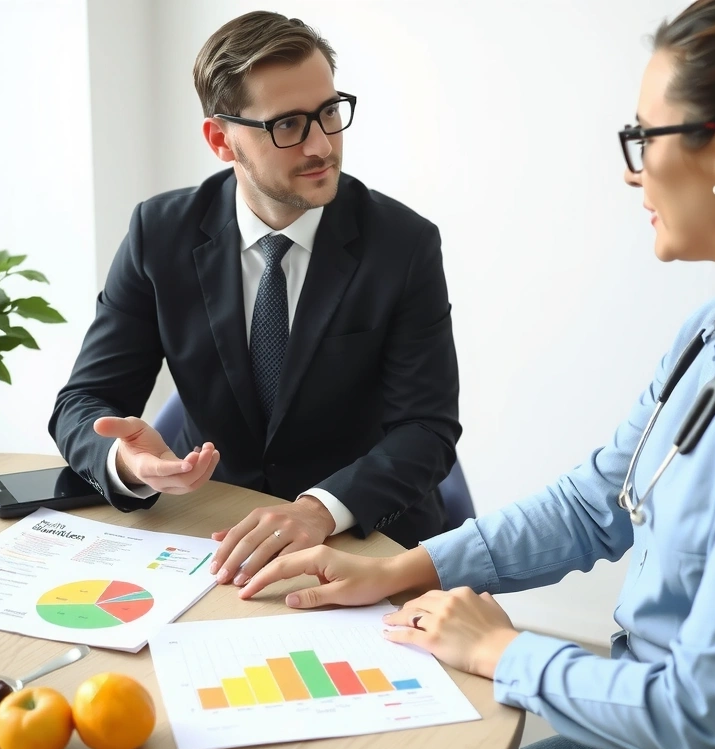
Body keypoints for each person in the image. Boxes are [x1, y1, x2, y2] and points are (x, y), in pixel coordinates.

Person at [238, 0, 715, 749]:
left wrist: (501, 651)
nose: (631, 171)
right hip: (635, 731)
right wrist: (398, 570)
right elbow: (599, 500)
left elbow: (703, 722)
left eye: (644, 138)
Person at [49, 11, 461, 582]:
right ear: (222, 140)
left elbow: (426, 430)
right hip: (211, 534)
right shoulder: (159, 235)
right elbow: (84, 400)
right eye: (288, 124)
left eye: (329, 112)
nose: (322, 144)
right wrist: (127, 461)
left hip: (361, 543)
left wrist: (319, 510)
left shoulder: (403, 245)